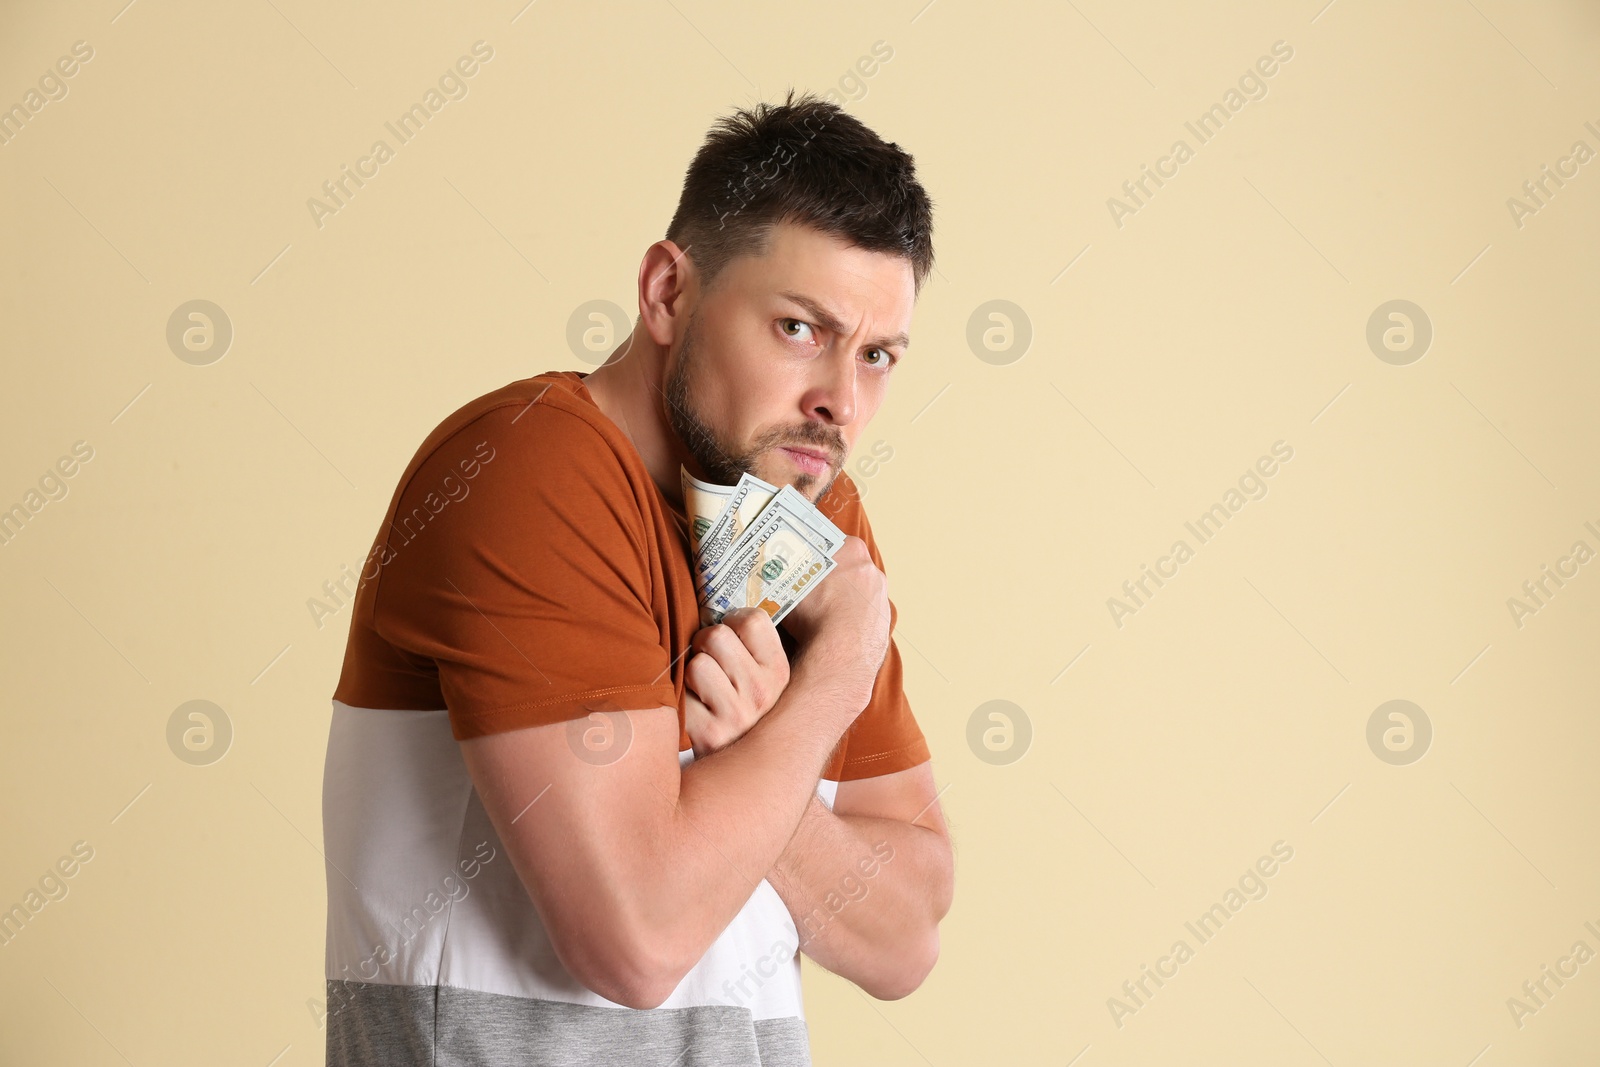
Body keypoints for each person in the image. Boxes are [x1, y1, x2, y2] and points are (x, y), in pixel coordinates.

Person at [321, 88, 954, 1066]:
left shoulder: (803, 508)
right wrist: (828, 683)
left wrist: (759, 739)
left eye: (877, 355)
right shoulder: (524, 471)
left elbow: (905, 934)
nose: (838, 400)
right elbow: (638, 940)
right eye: (799, 328)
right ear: (667, 293)